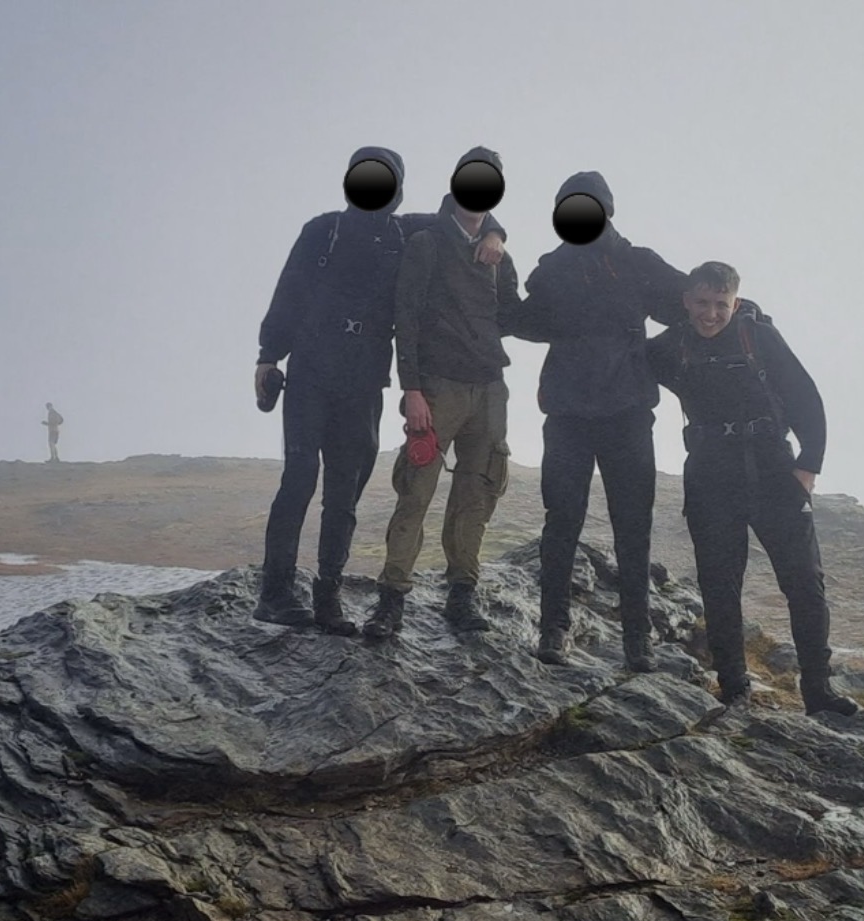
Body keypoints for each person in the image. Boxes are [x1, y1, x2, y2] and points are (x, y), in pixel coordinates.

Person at [253, 146, 506, 631]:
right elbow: (289, 292)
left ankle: (328, 598)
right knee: (299, 477)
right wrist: (268, 355)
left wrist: (496, 232)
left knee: (345, 489)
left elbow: (466, 215)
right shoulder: (322, 230)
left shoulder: (405, 232)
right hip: (310, 369)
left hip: (365, 378)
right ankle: (275, 592)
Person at [647, 261, 858, 716]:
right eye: (702, 303)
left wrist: (809, 466)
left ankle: (818, 691)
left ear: (735, 302)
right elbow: (626, 366)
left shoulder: (757, 337)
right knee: (719, 586)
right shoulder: (670, 345)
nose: (710, 314)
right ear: (686, 302)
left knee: (805, 583)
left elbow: (806, 398)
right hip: (709, 474)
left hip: (773, 470)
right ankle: (734, 688)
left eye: (721, 305)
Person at [515, 171, 690, 672]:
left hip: (629, 415)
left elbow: (690, 303)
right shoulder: (551, 270)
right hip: (566, 416)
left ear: (606, 210)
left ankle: (638, 638)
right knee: (561, 522)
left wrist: (647, 357)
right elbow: (524, 320)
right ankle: (554, 629)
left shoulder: (637, 263)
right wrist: (490, 264)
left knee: (633, 527)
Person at [363, 147, 520, 638]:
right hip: (436, 388)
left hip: (490, 388)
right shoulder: (426, 241)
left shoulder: (500, 256)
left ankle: (462, 595)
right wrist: (411, 389)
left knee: (478, 493)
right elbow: (405, 318)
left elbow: (513, 316)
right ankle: (391, 599)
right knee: (415, 491)